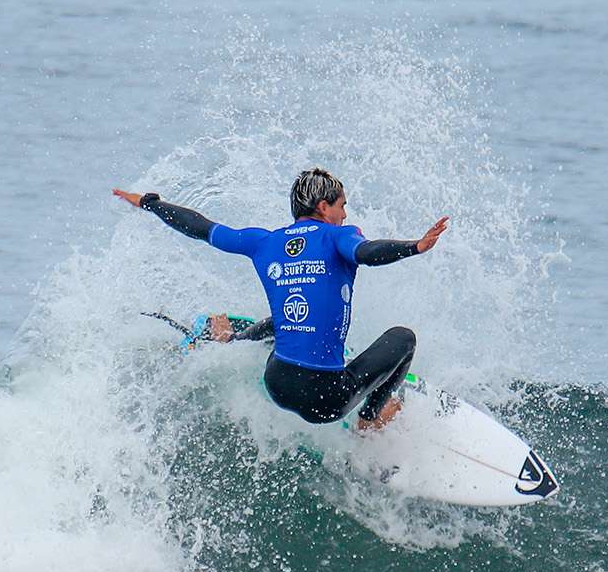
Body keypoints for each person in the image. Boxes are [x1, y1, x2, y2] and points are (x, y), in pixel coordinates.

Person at [112, 168, 447, 431]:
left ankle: (231, 341)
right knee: (404, 338)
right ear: (323, 207)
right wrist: (414, 247)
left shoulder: (264, 241)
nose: (345, 214)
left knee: (283, 323)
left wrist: (150, 203)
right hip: (326, 399)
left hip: (277, 383)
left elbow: (201, 227)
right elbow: (367, 252)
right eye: (342, 205)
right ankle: (370, 419)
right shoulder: (339, 236)